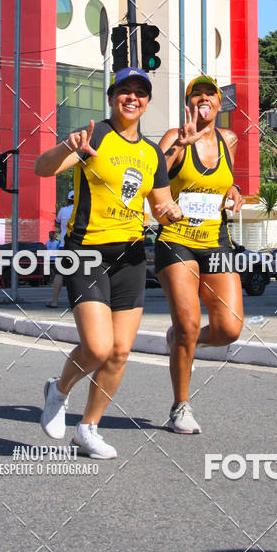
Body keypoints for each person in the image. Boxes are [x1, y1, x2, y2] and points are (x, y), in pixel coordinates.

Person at [34, 67, 182, 459]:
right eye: (125, 91)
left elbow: (160, 203)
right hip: (85, 253)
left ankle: (88, 429)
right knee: (97, 348)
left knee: (119, 353)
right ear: (112, 96)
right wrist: (69, 148)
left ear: (147, 102)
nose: (132, 98)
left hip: (131, 258)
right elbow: (41, 169)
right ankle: (59, 390)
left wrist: (171, 211)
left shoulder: (151, 153)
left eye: (140, 92)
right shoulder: (94, 135)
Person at [156, 75, 244, 434]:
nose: (203, 99)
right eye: (196, 95)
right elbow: (151, 175)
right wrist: (179, 145)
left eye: (210, 94)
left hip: (216, 239)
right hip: (176, 239)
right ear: (188, 103)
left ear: (219, 104)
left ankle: (179, 339)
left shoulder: (229, 140)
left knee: (229, 328)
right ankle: (181, 406)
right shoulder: (173, 136)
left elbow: (226, 180)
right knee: (189, 323)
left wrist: (236, 189)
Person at [47, 194, 74, 307]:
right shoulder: (83, 208)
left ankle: (54, 302)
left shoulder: (63, 210)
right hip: (81, 246)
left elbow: (56, 223)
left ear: (68, 200)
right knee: (83, 275)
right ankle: (79, 303)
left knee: (59, 274)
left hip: (64, 246)